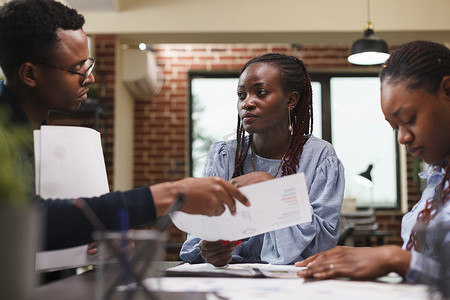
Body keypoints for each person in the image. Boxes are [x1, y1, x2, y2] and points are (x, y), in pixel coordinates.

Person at [0, 0, 250, 252]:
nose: (91, 78)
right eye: (77, 69)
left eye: (88, 64)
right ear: (30, 74)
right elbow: (26, 221)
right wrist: (172, 194)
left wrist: (102, 232)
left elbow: (58, 225)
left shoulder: (41, 134)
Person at [295, 40, 450, 295]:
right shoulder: (438, 178)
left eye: (409, 119)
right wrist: (375, 257)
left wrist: (396, 259)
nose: (402, 138)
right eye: (395, 128)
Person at [180, 53, 345, 266]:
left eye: (261, 92)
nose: (247, 103)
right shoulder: (225, 155)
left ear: (291, 100)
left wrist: (273, 190)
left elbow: (322, 243)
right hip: (231, 280)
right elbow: (199, 234)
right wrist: (208, 250)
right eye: (241, 95)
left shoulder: (320, 157)